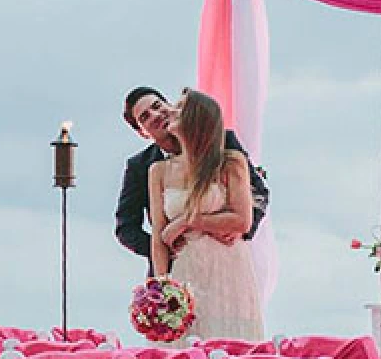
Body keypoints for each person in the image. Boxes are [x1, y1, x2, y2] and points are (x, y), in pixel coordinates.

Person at [149, 90, 264, 341]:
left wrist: (188, 221)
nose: (170, 111)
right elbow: (159, 235)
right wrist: (162, 286)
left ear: (196, 118)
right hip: (186, 270)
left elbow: (242, 220)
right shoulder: (158, 171)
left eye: (179, 108)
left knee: (230, 343)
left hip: (228, 269)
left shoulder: (230, 163)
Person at [114, 85, 267, 271]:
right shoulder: (143, 167)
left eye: (157, 105)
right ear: (142, 132)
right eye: (145, 117)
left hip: (226, 257)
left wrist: (237, 230)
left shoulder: (223, 142)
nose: (155, 115)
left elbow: (259, 192)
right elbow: (126, 228)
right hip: (175, 267)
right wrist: (170, 247)